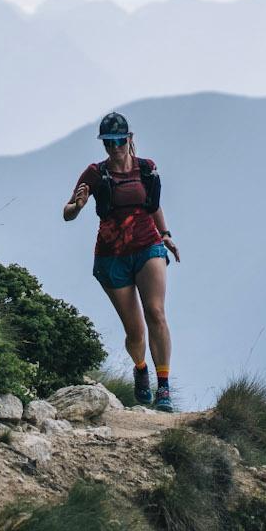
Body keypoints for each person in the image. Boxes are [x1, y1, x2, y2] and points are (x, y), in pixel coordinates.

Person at [62, 111, 181, 411]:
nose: (114, 148)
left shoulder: (147, 169)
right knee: (135, 331)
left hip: (147, 246)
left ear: (129, 139)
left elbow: (153, 206)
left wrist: (165, 234)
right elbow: (67, 212)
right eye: (107, 143)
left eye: (118, 141)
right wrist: (77, 205)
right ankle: (141, 368)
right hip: (112, 255)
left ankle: (163, 387)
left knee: (156, 312)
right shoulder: (94, 173)